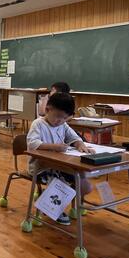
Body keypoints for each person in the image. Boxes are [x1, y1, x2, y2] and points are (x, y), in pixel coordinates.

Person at [26, 92, 92, 226]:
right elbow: (32, 144)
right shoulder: (38, 124)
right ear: (47, 110)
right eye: (57, 117)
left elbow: (74, 137)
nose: (60, 121)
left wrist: (80, 144)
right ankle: (53, 206)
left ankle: (50, 200)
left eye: (64, 118)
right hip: (41, 167)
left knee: (81, 180)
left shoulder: (62, 125)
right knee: (60, 179)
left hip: (59, 165)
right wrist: (54, 147)